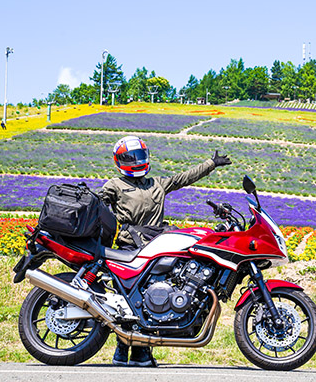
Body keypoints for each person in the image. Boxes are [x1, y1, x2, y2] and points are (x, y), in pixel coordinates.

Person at [99, 135, 231, 367]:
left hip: (156, 245)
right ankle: (128, 353)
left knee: (153, 298)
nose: (136, 161)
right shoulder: (114, 185)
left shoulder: (156, 183)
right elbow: (95, 203)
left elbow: (184, 178)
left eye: (139, 156)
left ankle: (136, 353)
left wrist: (211, 164)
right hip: (130, 245)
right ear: (119, 160)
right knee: (130, 302)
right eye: (130, 158)